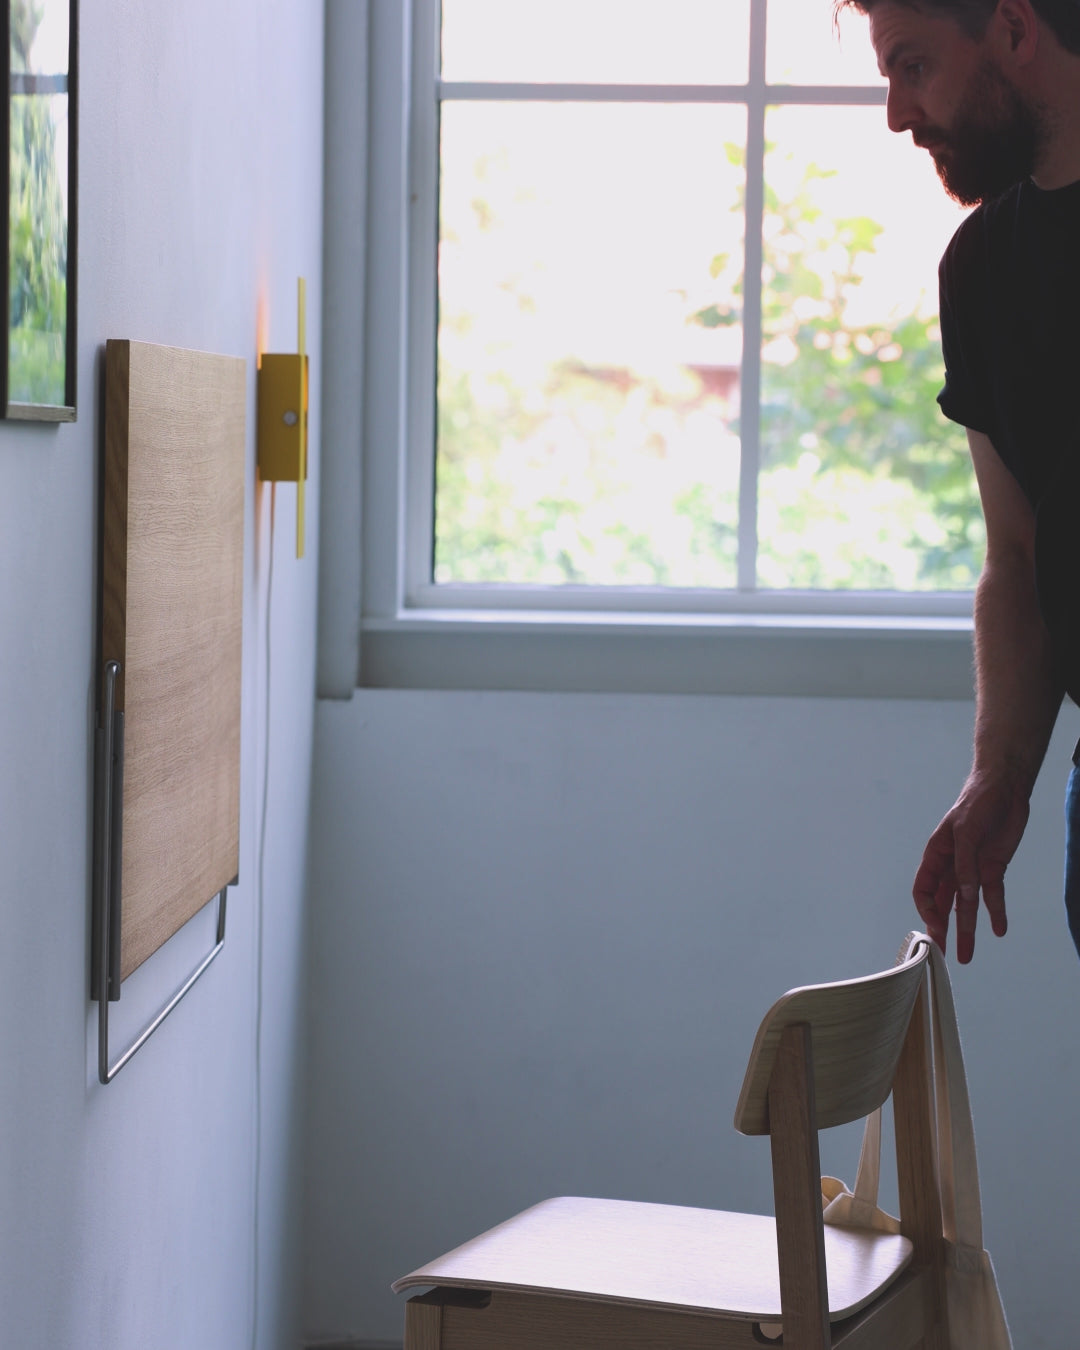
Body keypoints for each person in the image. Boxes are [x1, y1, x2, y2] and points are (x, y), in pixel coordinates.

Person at [835, 0, 1080, 963]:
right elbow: (1017, 558)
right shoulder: (979, 271)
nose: (899, 113)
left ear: (1014, 29)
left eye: (913, 65)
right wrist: (999, 776)